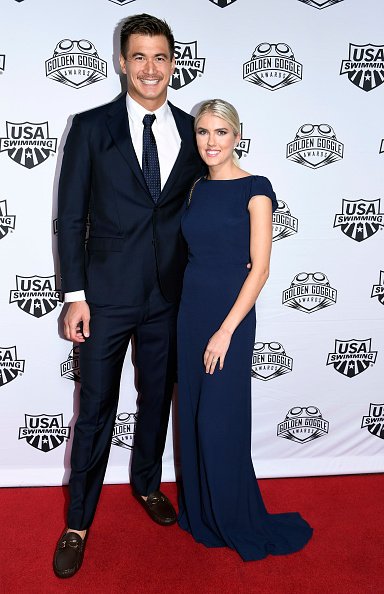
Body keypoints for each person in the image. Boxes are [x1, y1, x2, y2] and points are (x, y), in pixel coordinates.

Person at [53, 14, 204, 578]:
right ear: (121, 61)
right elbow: (70, 218)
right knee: (94, 410)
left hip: (170, 295)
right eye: (138, 56)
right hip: (105, 297)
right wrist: (75, 294)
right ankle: (77, 522)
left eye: (160, 57)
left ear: (173, 62)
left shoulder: (194, 130)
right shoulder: (91, 127)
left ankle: (146, 483)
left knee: (155, 400)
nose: (150, 68)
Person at [177, 99, 313, 561]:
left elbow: (260, 269)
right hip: (190, 312)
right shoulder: (195, 189)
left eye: (220, 132)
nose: (210, 142)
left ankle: (233, 514)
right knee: (193, 415)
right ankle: (202, 513)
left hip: (229, 317)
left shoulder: (256, 189)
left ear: (237, 135)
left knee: (221, 420)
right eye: (202, 133)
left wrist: (225, 331)